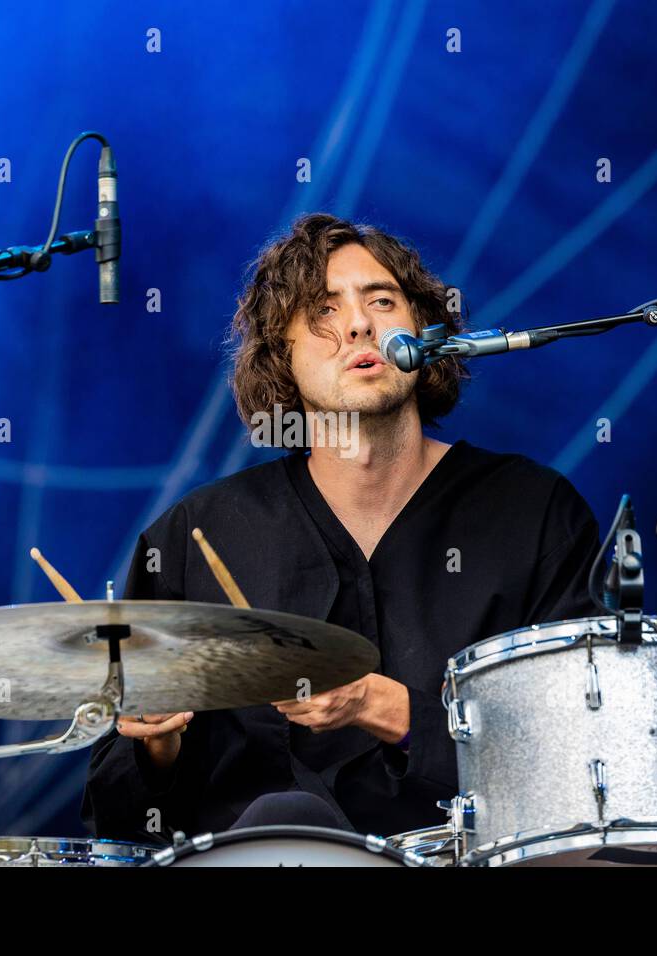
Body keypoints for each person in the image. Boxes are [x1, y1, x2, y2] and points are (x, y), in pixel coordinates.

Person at [81, 212, 601, 843]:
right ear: (282, 360)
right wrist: (155, 746)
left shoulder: (535, 512)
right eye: (322, 312)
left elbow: (585, 754)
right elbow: (115, 822)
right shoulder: (195, 535)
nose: (359, 323)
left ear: (424, 332)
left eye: (382, 300)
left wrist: (380, 705)